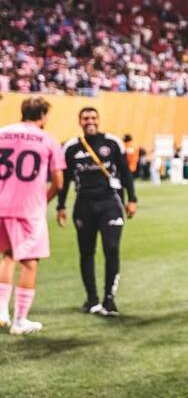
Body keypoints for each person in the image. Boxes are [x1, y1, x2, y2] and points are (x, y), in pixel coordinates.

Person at [58, 107, 138, 316]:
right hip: (83, 205)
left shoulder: (112, 142)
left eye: (93, 117)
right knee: (86, 252)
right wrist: (60, 206)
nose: (90, 121)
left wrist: (133, 199)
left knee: (111, 248)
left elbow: (126, 173)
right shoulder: (71, 147)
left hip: (110, 204)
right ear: (80, 121)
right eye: (86, 118)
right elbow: (65, 180)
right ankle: (91, 299)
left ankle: (109, 299)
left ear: (99, 120)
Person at [0, 96, 65, 335]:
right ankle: (19, 321)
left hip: (1, 204)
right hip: (28, 208)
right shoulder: (48, 140)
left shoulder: (2, 132)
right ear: (43, 115)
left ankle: (0, 311)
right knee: (30, 262)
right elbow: (58, 182)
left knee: (8, 256)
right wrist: (43, 201)